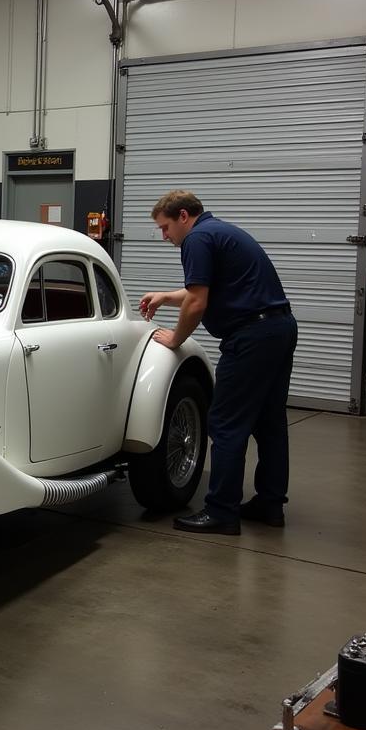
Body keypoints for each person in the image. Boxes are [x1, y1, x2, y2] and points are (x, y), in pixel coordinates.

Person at [138, 190, 298, 536]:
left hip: (252, 336)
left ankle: (222, 511)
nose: (164, 236)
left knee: (225, 423)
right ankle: (270, 504)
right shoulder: (218, 232)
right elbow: (205, 288)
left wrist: (175, 338)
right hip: (277, 327)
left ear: (183, 216)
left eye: (165, 228)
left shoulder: (196, 239)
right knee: (269, 422)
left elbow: (197, 302)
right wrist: (167, 296)